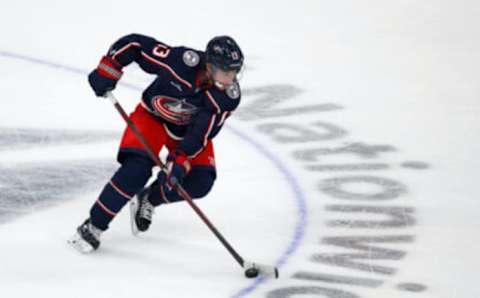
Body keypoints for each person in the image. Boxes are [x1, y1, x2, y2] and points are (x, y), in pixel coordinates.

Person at [68, 33, 244, 253]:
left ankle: (149, 198)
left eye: (235, 72)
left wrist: (180, 158)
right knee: (136, 170)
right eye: (225, 72)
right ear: (209, 66)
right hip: (152, 117)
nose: (231, 78)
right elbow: (136, 45)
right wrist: (109, 67)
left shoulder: (227, 97)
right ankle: (93, 226)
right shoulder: (181, 62)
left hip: (187, 133)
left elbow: (202, 133)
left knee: (200, 182)